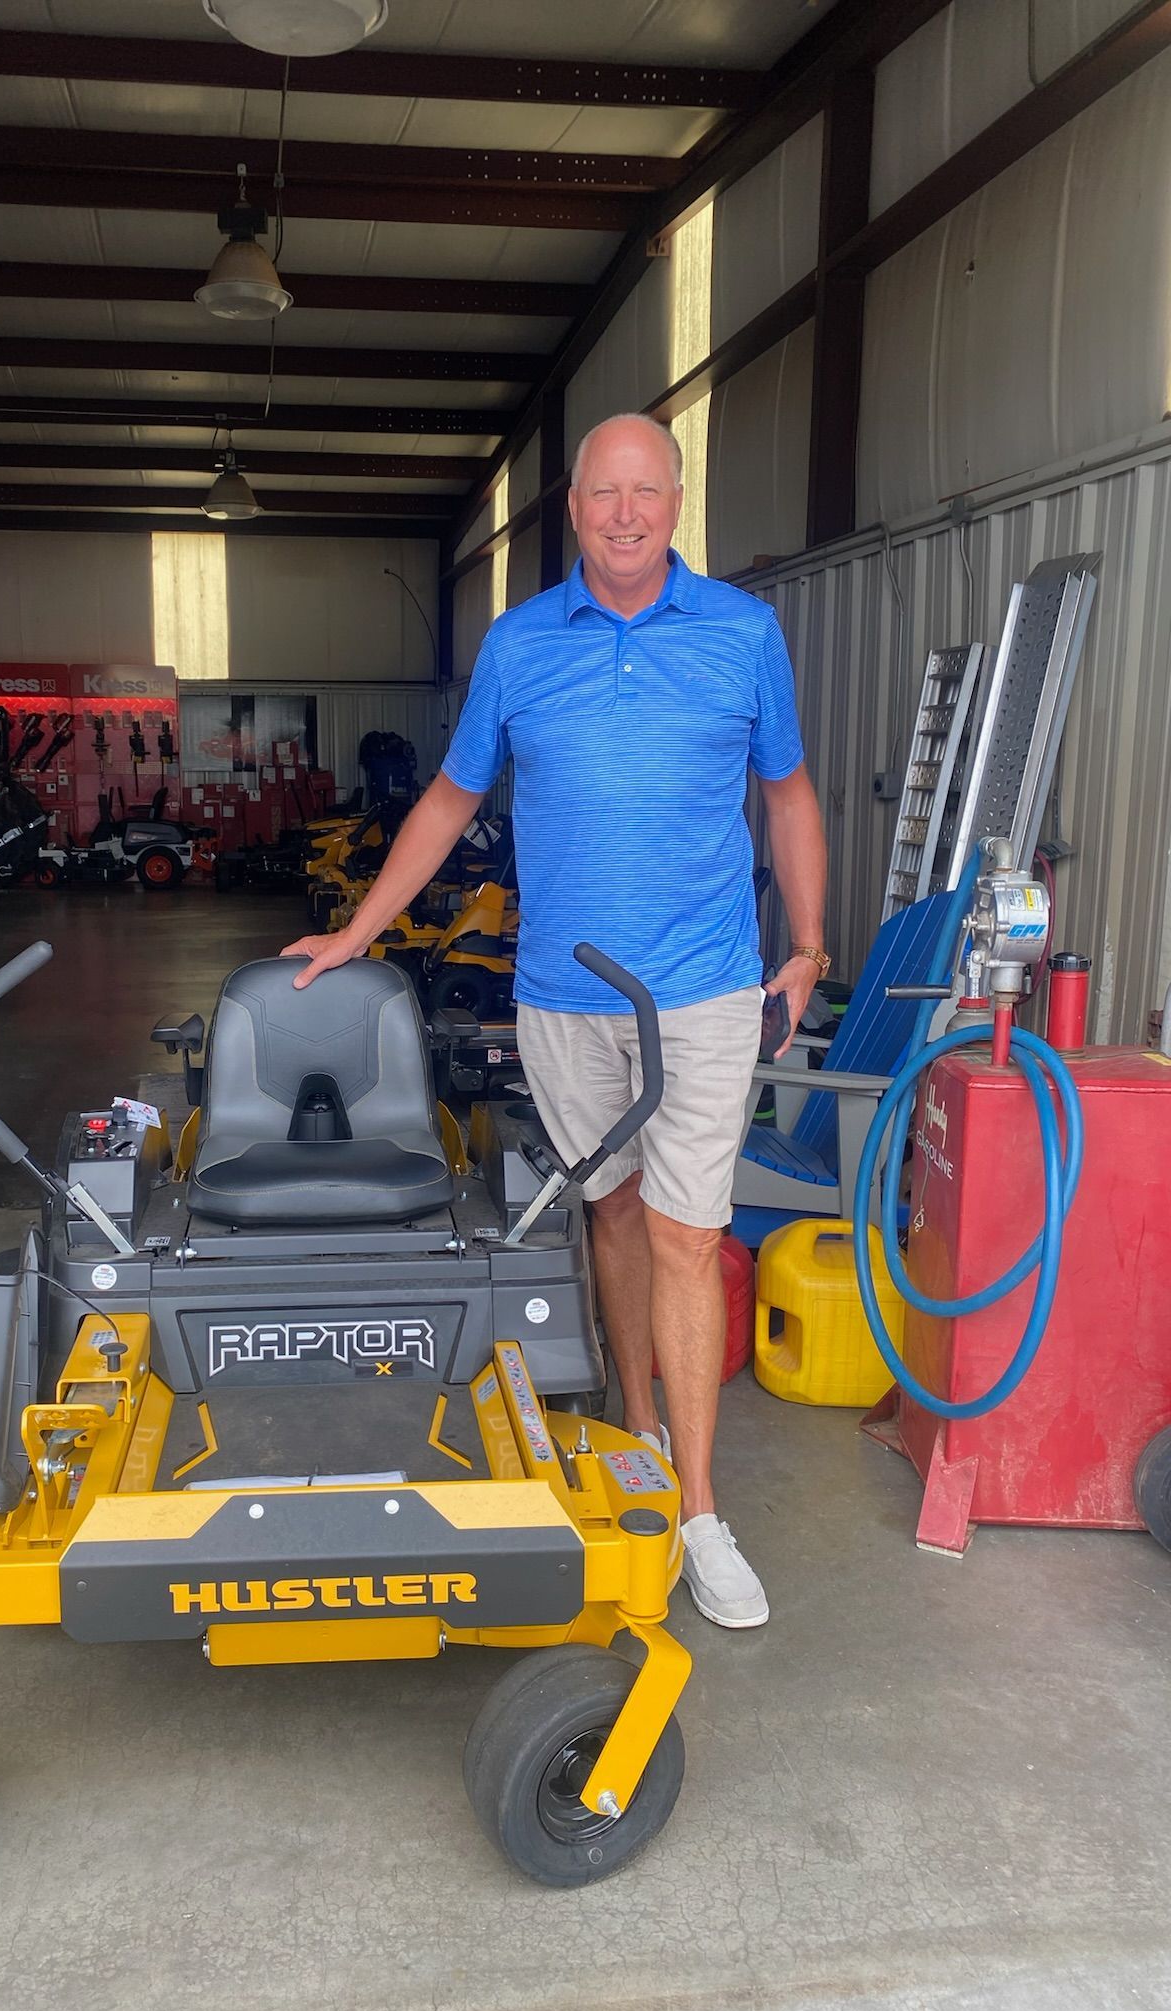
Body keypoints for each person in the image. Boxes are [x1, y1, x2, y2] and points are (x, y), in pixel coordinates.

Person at [283, 411, 828, 1630]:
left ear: (676, 502)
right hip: (565, 997)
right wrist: (359, 931)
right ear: (572, 508)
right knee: (615, 1212)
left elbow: (788, 794)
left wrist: (807, 948)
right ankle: (633, 1427)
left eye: (647, 491)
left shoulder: (743, 634)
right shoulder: (520, 646)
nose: (625, 512)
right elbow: (448, 797)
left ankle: (696, 1507)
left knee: (690, 1231)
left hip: (698, 989)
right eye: (602, 493)